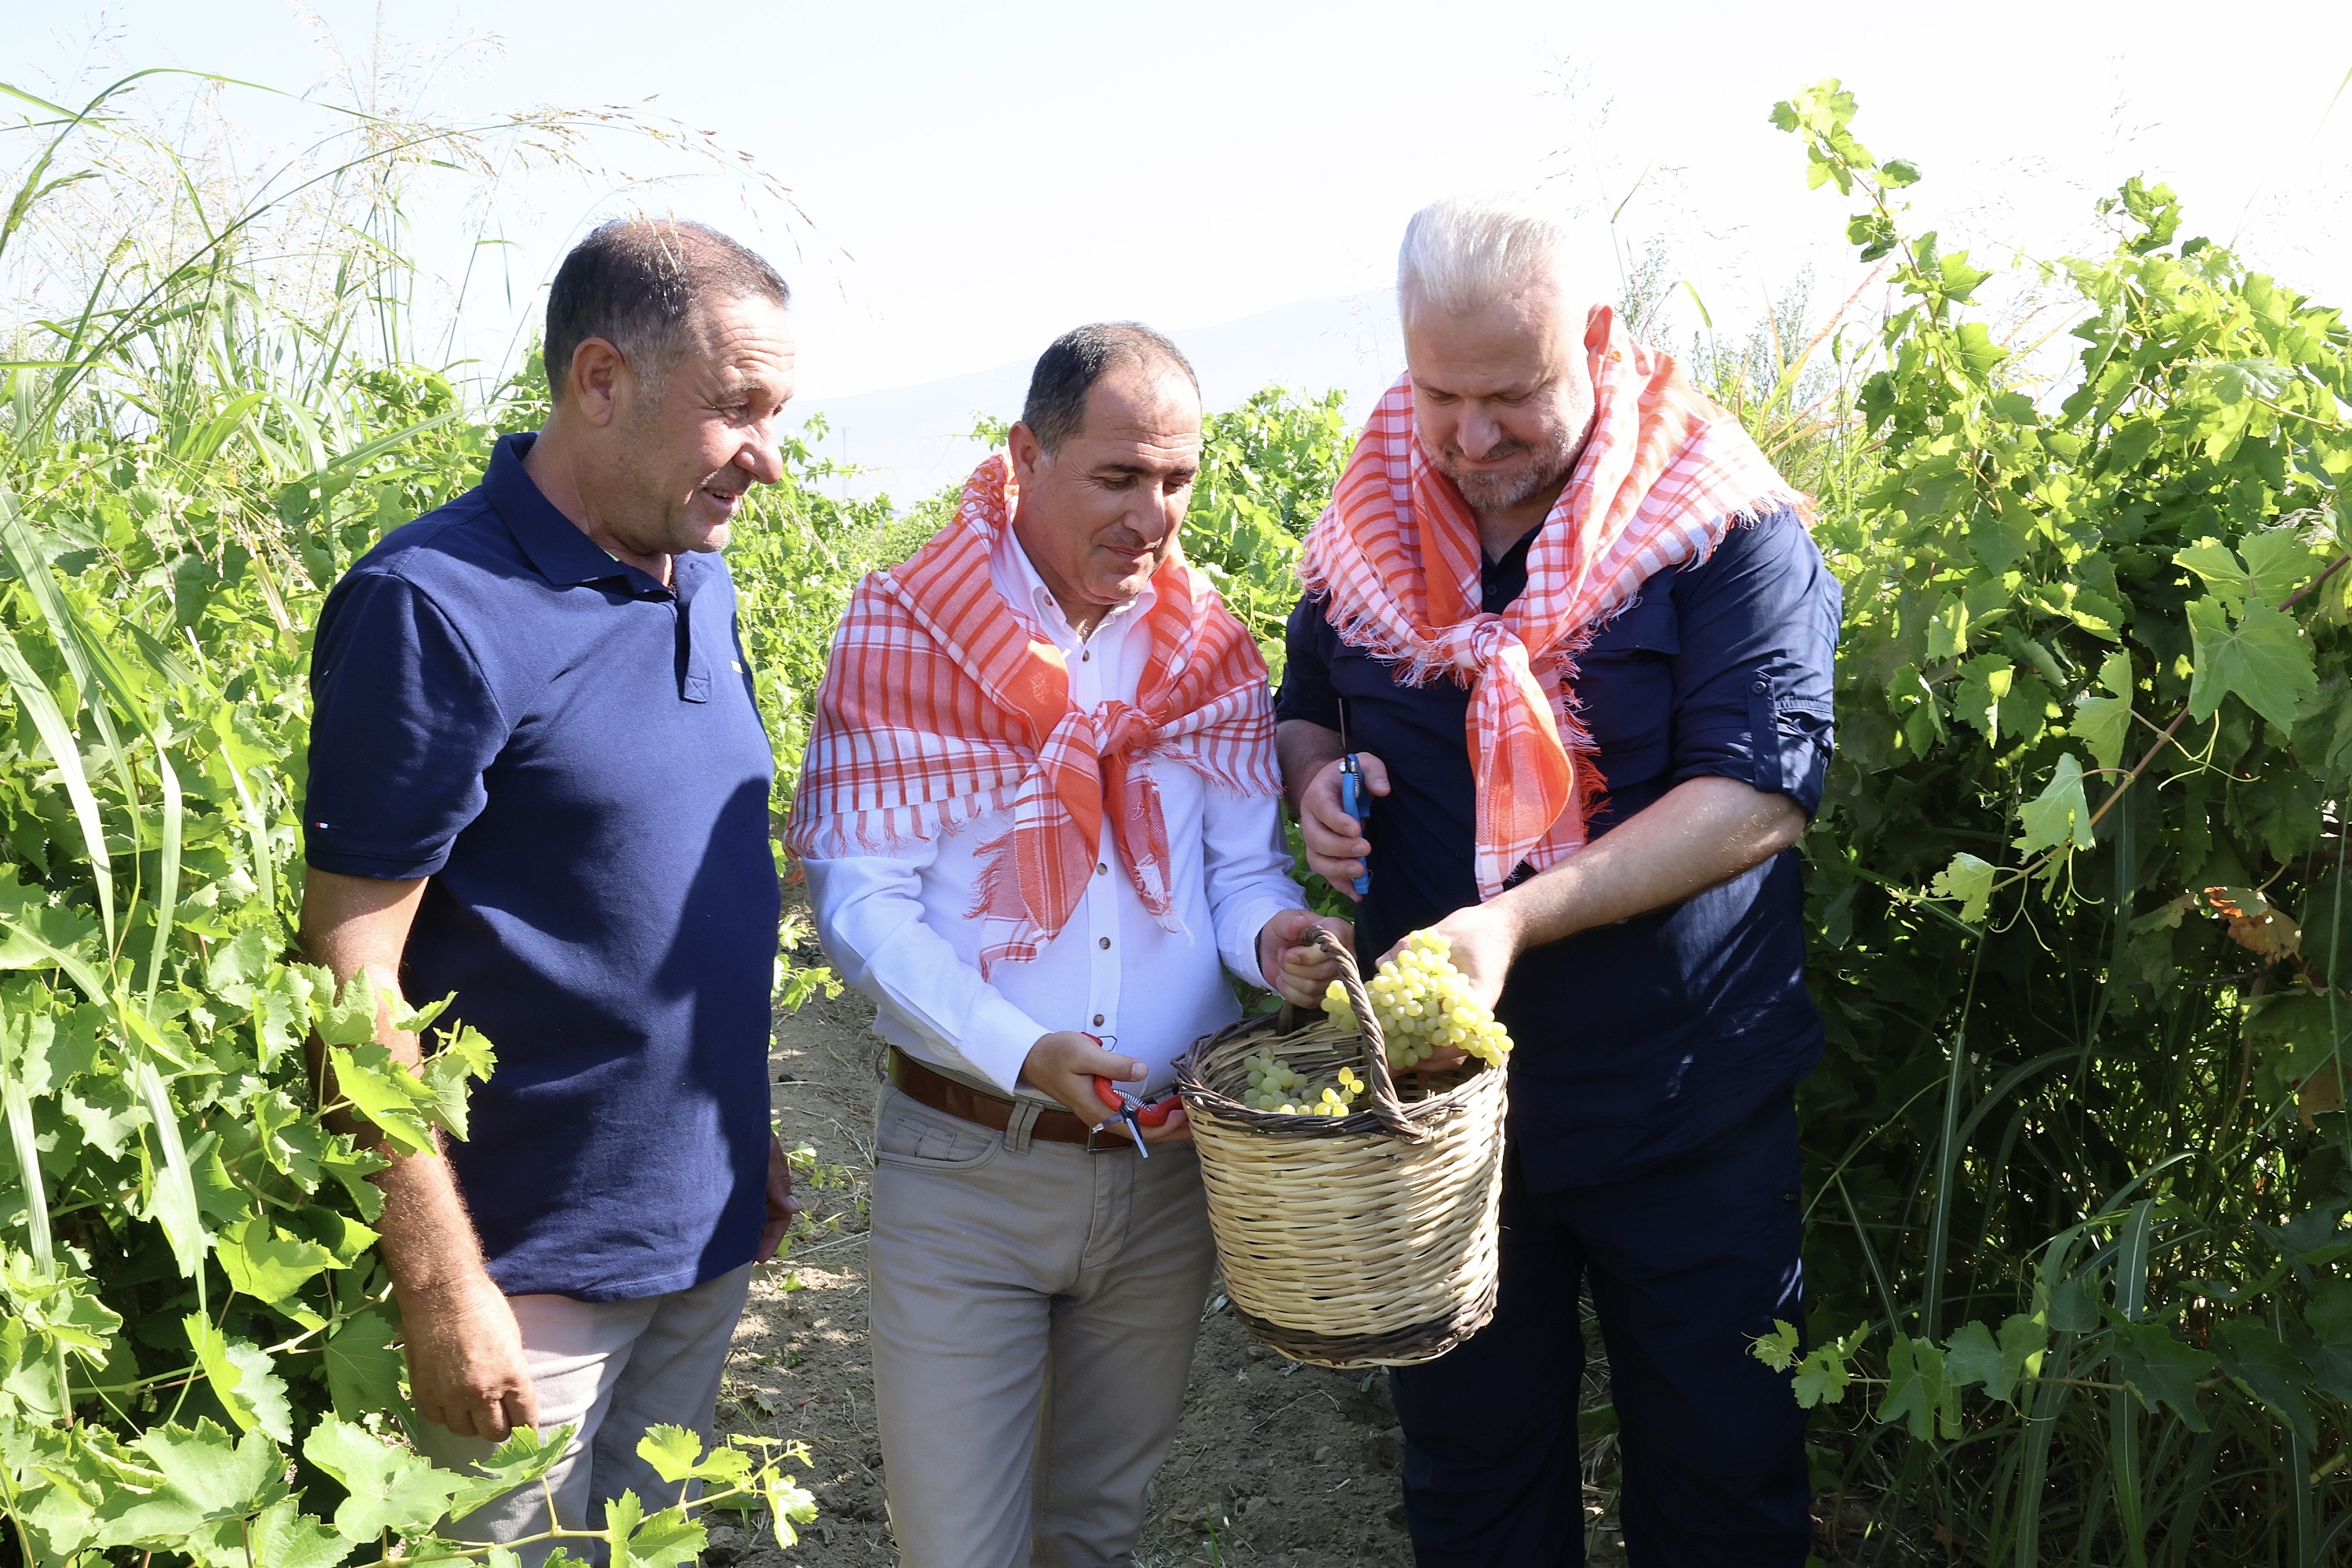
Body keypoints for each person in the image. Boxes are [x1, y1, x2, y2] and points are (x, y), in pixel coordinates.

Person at [1276, 198, 1839, 1566]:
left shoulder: (1718, 523)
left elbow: (1754, 800)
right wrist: (1316, 788)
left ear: (1594, 338)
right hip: (1450, 1121)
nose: (1468, 439)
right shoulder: (1374, 512)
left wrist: (1514, 920)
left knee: (1722, 1480)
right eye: (1439, 392)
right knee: (1473, 1482)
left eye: (1511, 395)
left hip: (1685, 1107)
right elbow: (1310, 700)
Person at [793, 322, 1351, 1568]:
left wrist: (1277, 939)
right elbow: (861, 903)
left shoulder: (1201, 644)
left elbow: (1233, 869)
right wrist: (1017, 1048)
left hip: (1162, 1173)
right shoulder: (911, 631)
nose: (1154, 515)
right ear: (1025, 457)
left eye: (1178, 481)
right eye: (1117, 477)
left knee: (1093, 1535)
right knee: (959, 1551)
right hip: (968, 1166)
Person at [299, 219, 800, 1559]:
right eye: (737, 409)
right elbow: (346, 974)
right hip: (525, 1281)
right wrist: (440, 1281)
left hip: (700, 1238)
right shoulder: (435, 606)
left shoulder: (700, 580)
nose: (767, 451)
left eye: (778, 411)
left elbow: (655, 902)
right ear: (599, 381)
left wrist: (743, 1146)